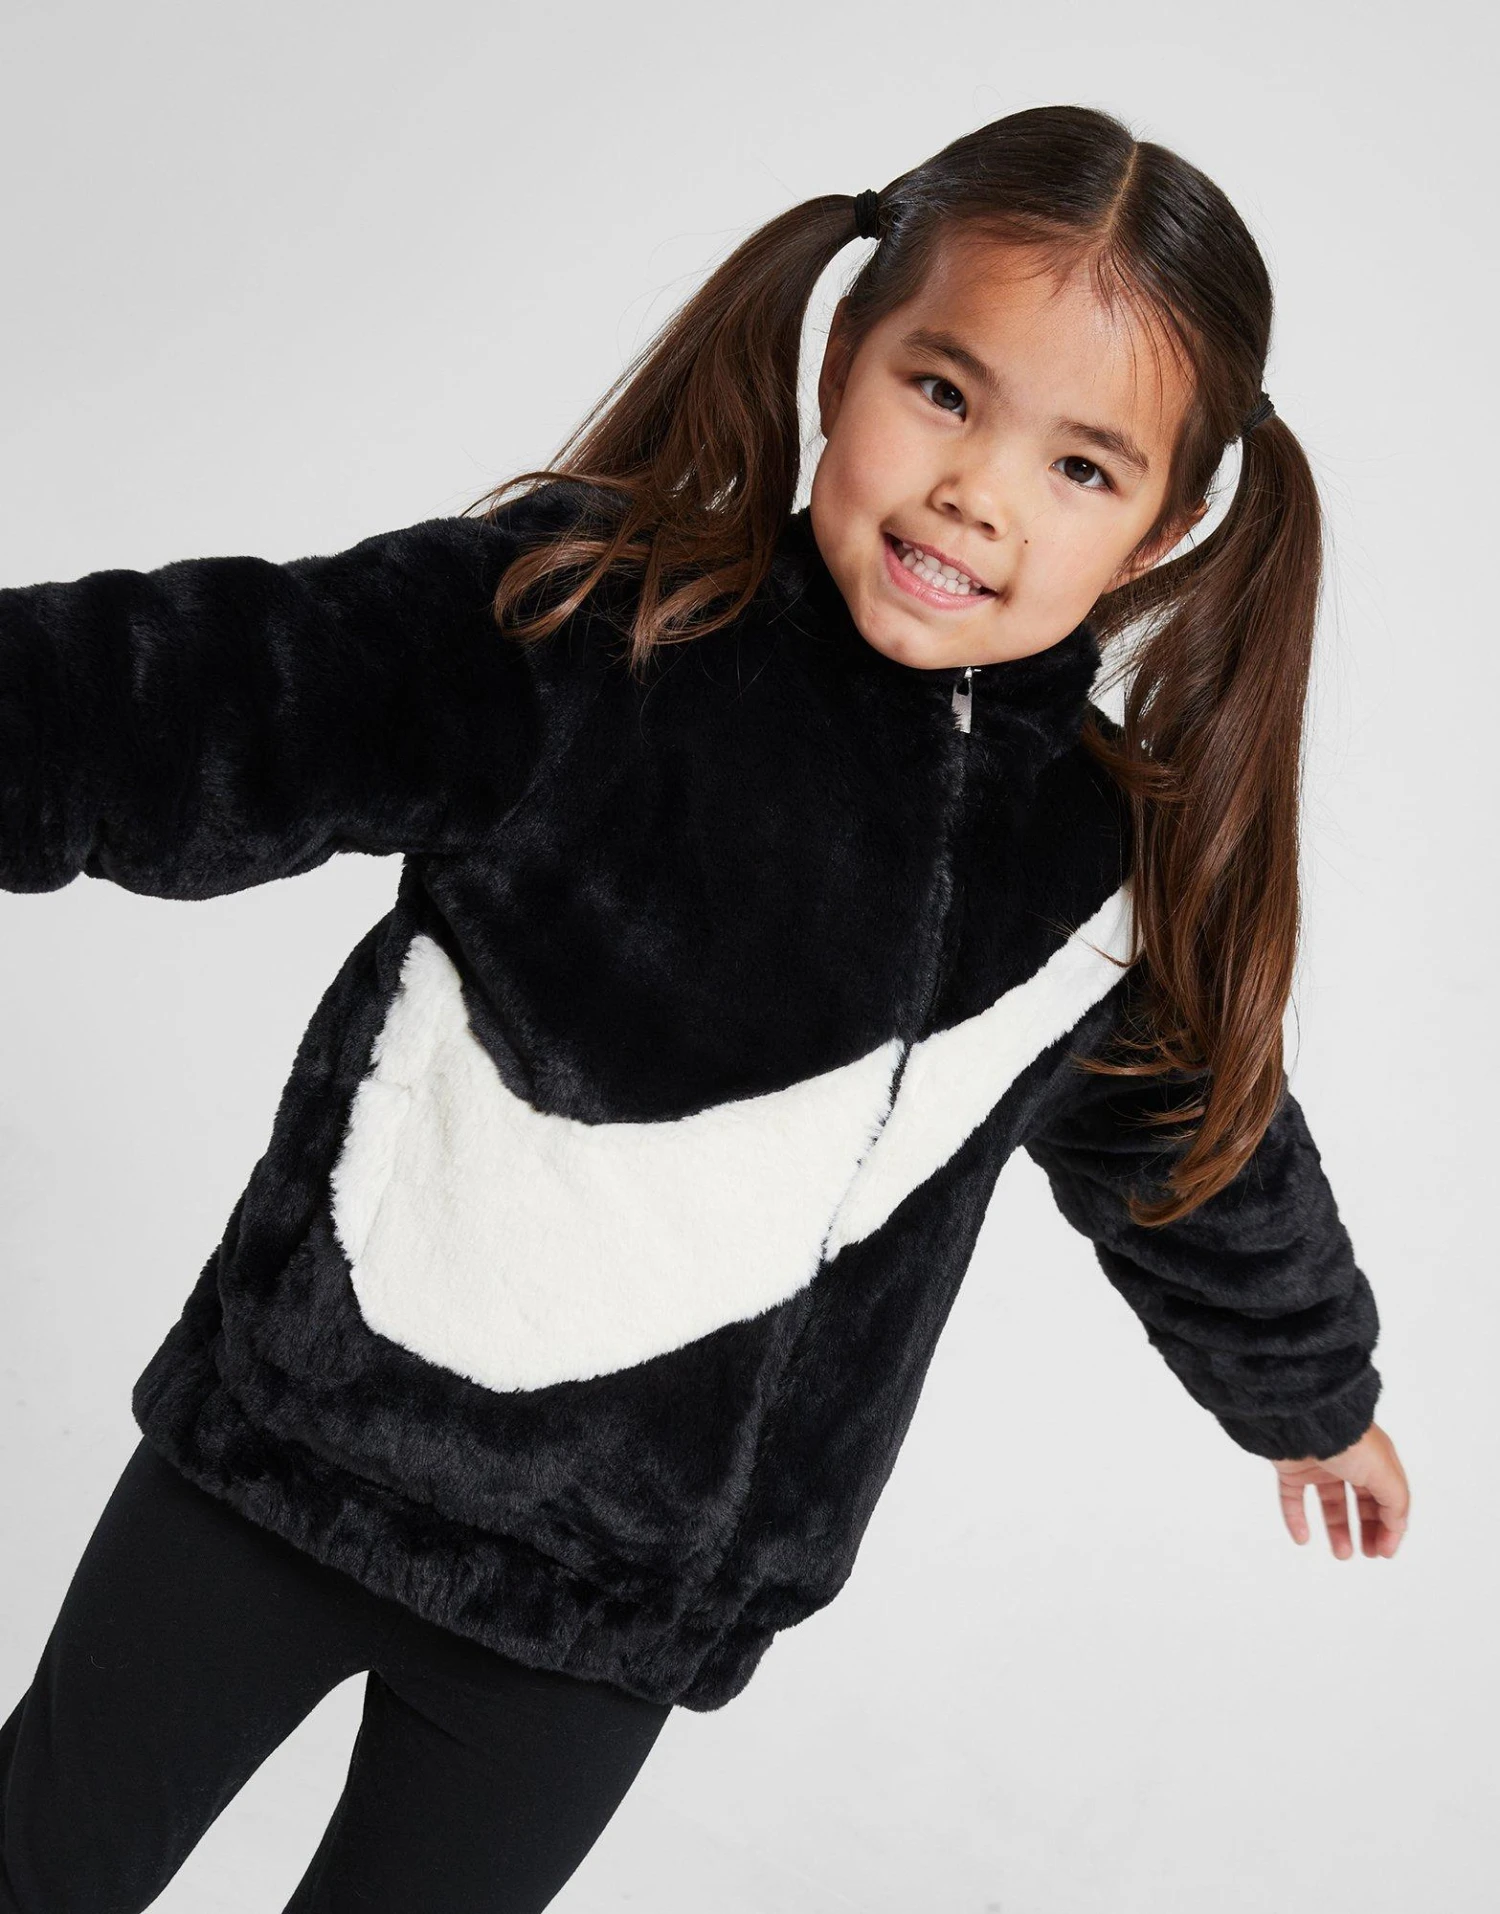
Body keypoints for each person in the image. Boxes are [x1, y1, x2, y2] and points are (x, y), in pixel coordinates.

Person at [0, 102, 1410, 1914]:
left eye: (1082, 467)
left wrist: (1315, 1398)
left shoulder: (1097, 882)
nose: (978, 491)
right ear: (843, 355)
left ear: (1162, 529)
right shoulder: (590, 616)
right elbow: (200, 700)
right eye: (944, 392)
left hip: (605, 1616)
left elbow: (1204, 1165)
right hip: (280, 1463)